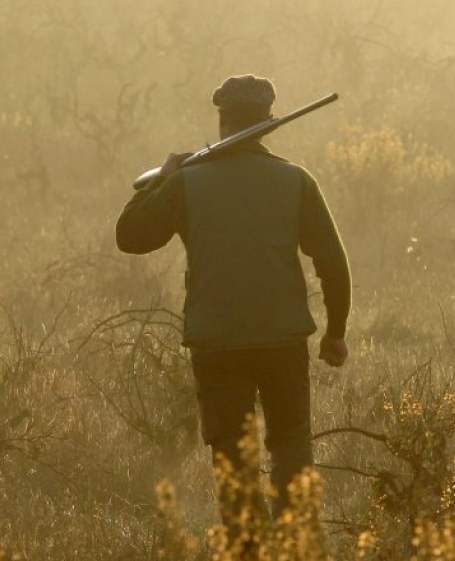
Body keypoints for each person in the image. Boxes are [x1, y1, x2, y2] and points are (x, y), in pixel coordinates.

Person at [115, 75, 351, 527]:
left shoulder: (186, 183)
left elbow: (130, 236)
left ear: (222, 120)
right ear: (268, 121)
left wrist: (162, 179)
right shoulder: (295, 180)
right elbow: (333, 262)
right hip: (282, 341)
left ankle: (249, 547)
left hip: (217, 344)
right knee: (291, 450)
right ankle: (295, 546)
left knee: (232, 464)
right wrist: (335, 332)